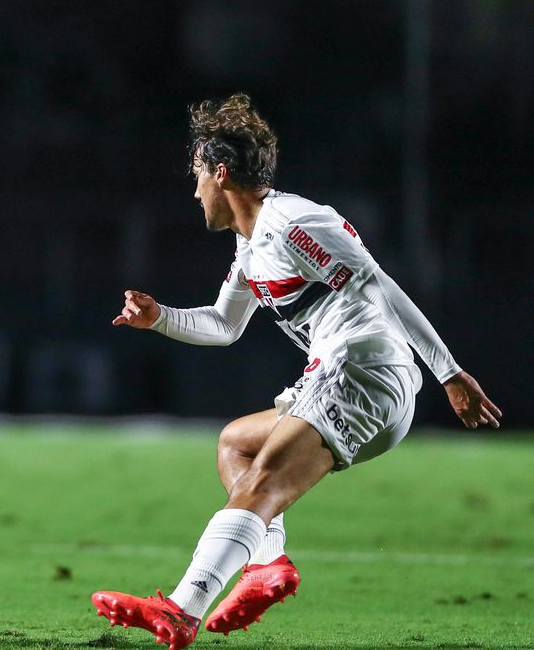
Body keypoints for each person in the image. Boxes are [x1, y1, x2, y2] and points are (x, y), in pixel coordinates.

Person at [90, 94, 501, 650]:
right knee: (236, 445)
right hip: (346, 380)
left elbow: (379, 284)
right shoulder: (250, 243)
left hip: (362, 372)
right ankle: (268, 565)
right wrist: (159, 318)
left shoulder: (292, 223)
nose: (193, 192)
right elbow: (222, 324)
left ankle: (182, 609)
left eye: (196, 178)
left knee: (260, 486)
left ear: (221, 172)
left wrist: (449, 373)